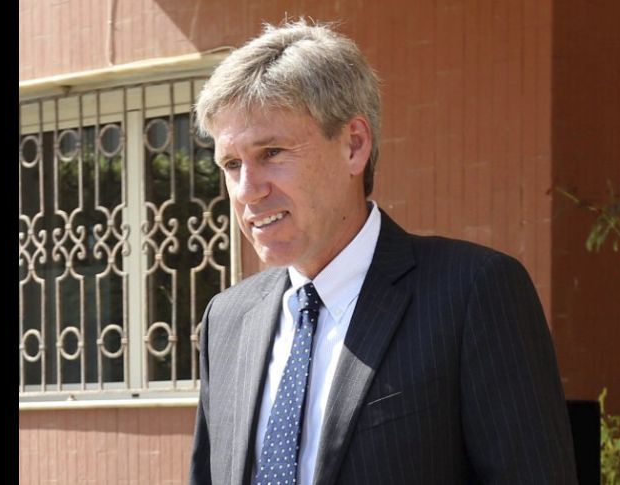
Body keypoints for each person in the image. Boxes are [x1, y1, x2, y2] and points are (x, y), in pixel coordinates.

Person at [189, 19, 578, 485]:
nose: (247, 190)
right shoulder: (227, 320)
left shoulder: (473, 294)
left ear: (354, 144)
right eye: (232, 164)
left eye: (271, 152)